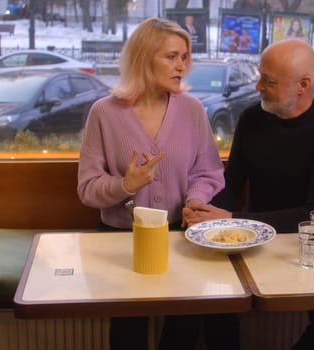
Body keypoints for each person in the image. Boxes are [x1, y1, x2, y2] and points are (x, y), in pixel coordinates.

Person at [183, 38, 314, 350]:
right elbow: (230, 184)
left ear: (303, 85)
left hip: (307, 244)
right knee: (213, 308)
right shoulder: (251, 119)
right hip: (250, 239)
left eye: (268, 80)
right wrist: (204, 213)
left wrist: (233, 219)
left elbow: (313, 213)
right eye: (260, 76)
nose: (258, 86)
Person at [77, 17, 225, 350]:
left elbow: (208, 171)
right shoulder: (104, 113)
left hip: (181, 237)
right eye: (171, 57)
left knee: (184, 333)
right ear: (144, 58)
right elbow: (87, 189)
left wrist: (195, 200)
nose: (182, 67)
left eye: (185, 57)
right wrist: (125, 185)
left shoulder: (192, 110)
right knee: (128, 336)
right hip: (121, 242)